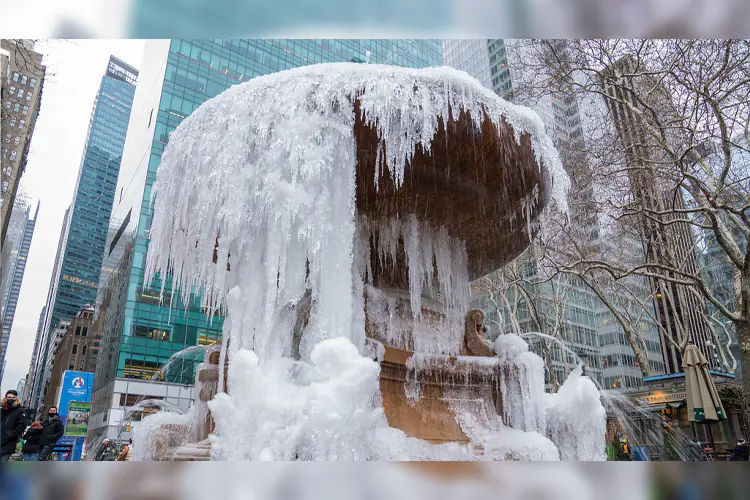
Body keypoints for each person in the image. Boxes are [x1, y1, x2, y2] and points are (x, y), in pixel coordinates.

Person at [1, 390, 26, 461]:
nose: (11, 399)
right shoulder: (2, 410)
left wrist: (10, 434)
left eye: (13, 397)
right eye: (9, 397)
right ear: (5, 398)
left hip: (8, 443)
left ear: (16, 398)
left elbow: (22, 425)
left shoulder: (20, 410)